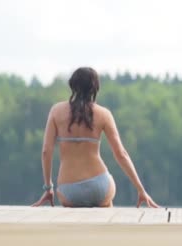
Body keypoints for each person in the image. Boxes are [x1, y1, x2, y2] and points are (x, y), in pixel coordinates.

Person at [31, 67, 158, 208]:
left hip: (69, 190)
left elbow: (46, 152)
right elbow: (121, 154)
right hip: (100, 185)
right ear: (95, 88)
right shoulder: (104, 114)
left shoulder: (56, 111)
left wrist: (48, 188)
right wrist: (141, 190)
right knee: (107, 206)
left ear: (72, 85)